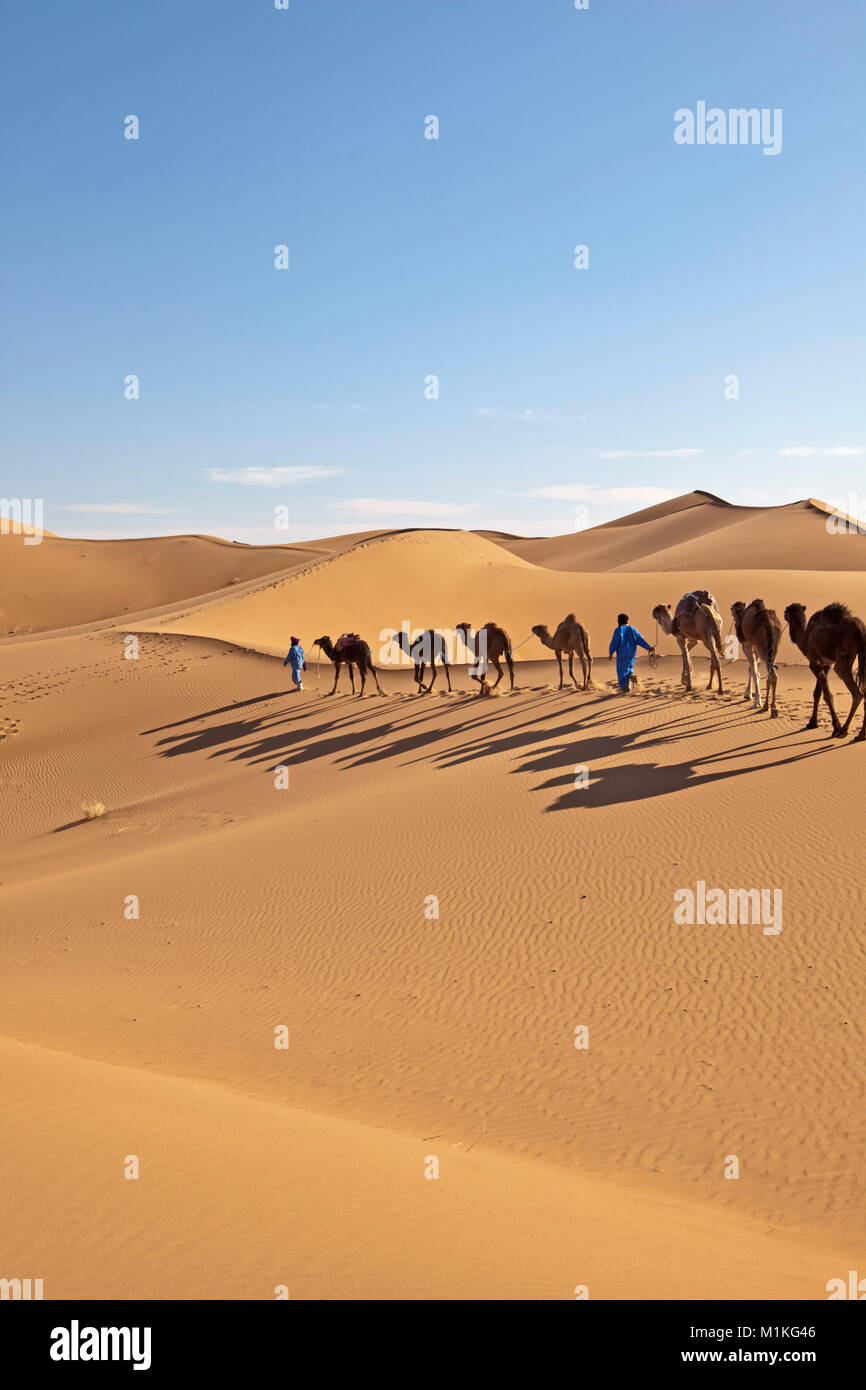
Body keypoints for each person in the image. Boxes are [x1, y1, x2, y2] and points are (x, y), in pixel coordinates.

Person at [608, 613, 654, 693]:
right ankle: (632, 676)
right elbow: (640, 638)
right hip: (632, 653)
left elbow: (615, 641)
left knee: (622, 670)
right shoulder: (632, 629)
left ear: (619, 620)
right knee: (629, 667)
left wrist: (611, 652)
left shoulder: (618, 630)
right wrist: (648, 647)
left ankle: (625, 687)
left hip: (622, 653)